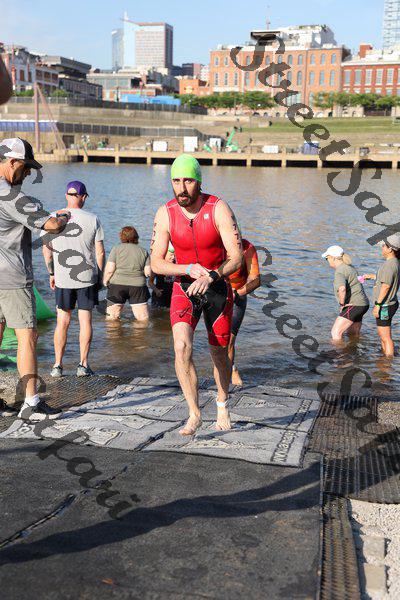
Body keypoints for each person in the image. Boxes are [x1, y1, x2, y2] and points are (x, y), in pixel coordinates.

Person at [151, 154, 243, 435]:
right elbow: (156, 263)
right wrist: (187, 268)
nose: (182, 188)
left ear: (199, 182)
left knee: (219, 353)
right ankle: (194, 413)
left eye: (188, 181)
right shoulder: (165, 213)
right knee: (181, 347)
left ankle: (222, 402)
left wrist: (211, 275)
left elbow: (237, 257)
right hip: (184, 287)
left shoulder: (218, 208)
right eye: (176, 181)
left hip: (217, 286)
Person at [0, 137, 70, 418]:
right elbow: (52, 225)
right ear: (12, 162)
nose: (28, 172)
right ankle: (31, 402)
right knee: (27, 336)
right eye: (26, 166)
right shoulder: (13, 197)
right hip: (12, 278)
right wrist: (62, 219)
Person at [42, 180, 105, 377]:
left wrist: (52, 273)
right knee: (85, 321)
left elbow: (47, 251)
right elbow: (100, 253)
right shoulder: (93, 219)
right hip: (87, 278)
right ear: (83, 197)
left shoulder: (52, 218)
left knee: (62, 321)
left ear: (66, 196)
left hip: (63, 279)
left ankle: (57, 366)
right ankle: (83, 365)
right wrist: (100, 277)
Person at [228, 235, 261, 386]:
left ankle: (231, 370)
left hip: (237, 296)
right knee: (216, 343)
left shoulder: (247, 248)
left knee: (229, 340)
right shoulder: (215, 243)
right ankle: (225, 369)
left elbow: (256, 279)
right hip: (215, 295)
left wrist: (236, 293)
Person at [362, 234, 400, 357]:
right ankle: (385, 358)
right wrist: (373, 277)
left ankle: (388, 361)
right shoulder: (395, 262)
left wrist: (378, 305)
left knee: (385, 337)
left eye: (384, 246)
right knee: (383, 335)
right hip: (390, 303)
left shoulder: (389, 265)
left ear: (390, 249)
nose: (382, 248)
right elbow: (388, 279)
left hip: (385, 305)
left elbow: (386, 286)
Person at [103, 226, 151, 322]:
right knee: (142, 319)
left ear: (121, 236)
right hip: (138, 286)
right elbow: (148, 273)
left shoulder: (116, 249)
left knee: (112, 317)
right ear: (136, 236)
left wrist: (105, 281)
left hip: (117, 285)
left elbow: (110, 270)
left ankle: (115, 331)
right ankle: (139, 332)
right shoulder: (143, 251)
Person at [322, 245, 369, 341]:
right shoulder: (350, 267)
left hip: (354, 305)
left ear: (333, 258)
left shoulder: (340, 271)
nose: (327, 261)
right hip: (363, 304)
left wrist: (342, 304)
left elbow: (342, 289)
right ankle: (353, 350)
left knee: (335, 332)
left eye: (327, 258)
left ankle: (338, 351)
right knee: (353, 334)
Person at [149, 242, 175, 308]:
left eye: (174, 255)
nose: (173, 257)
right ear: (165, 254)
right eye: (171, 255)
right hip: (159, 294)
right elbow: (150, 282)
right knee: (158, 312)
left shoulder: (176, 265)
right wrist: (156, 290)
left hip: (172, 294)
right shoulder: (157, 264)